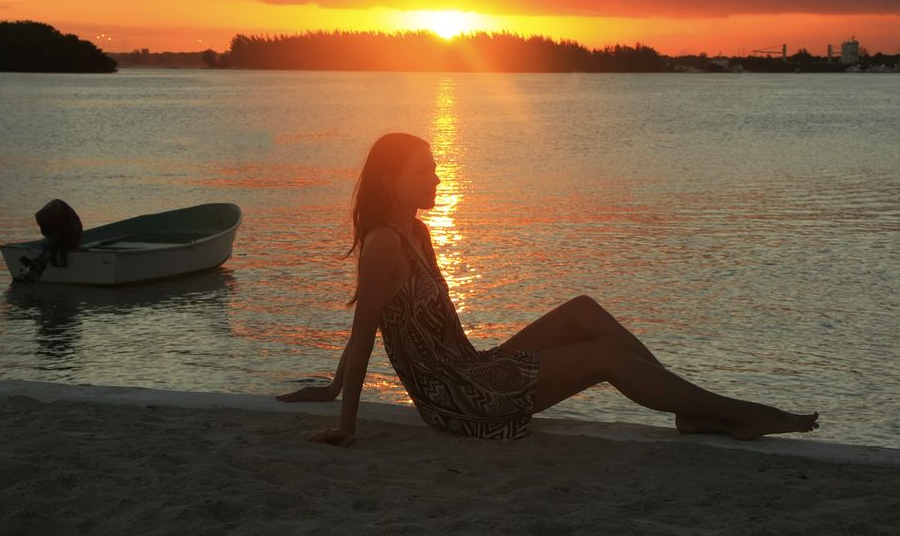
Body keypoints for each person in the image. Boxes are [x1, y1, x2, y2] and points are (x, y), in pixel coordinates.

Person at [276, 132, 819, 446]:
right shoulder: (383, 245)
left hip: (471, 368)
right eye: (425, 171)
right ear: (391, 179)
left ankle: (692, 408)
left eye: (437, 168)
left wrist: (484, 362)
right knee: (604, 355)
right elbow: (363, 333)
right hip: (457, 400)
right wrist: (341, 415)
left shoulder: (416, 232)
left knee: (584, 310)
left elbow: (426, 333)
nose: (438, 179)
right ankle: (733, 413)